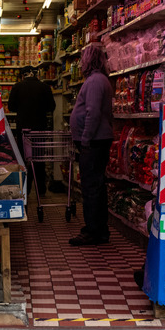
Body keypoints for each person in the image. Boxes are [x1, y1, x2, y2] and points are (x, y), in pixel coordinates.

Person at [69, 45, 113, 246]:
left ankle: (93, 231)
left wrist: (85, 139)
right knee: (95, 186)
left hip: (94, 143)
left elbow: (93, 113)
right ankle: (99, 230)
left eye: (82, 59)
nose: (80, 63)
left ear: (89, 60)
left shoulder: (95, 81)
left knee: (91, 188)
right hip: (96, 141)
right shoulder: (98, 79)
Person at [8, 66, 56, 196]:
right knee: (39, 159)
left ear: (23, 75)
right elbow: (51, 106)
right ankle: (41, 190)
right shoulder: (44, 87)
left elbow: (11, 107)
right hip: (39, 128)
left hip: (23, 128)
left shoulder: (17, 87)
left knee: (23, 159)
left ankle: (24, 189)